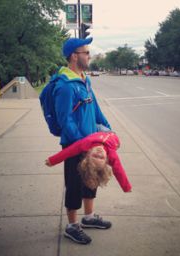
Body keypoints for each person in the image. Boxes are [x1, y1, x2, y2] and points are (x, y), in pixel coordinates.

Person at [51, 37, 113, 245]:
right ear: (73, 56)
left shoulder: (85, 79)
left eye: (88, 51)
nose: (89, 55)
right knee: (75, 184)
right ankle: (72, 225)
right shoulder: (65, 86)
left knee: (91, 179)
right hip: (74, 145)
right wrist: (82, 144)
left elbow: (95, 108)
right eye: (85, 52)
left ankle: (88, 217)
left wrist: (107, 129)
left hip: (91, 142)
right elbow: (64, 119)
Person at [45, 131, 132, 193]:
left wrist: (52, 160)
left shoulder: (85, 144)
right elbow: (119, 170)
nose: (99, 153)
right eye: (101, 157)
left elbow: (68, 152)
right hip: (112, 135)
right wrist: (126, 187)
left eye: (95, 156)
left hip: (97, 130)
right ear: (106, 159)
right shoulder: (111, 152)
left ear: (88, 154)